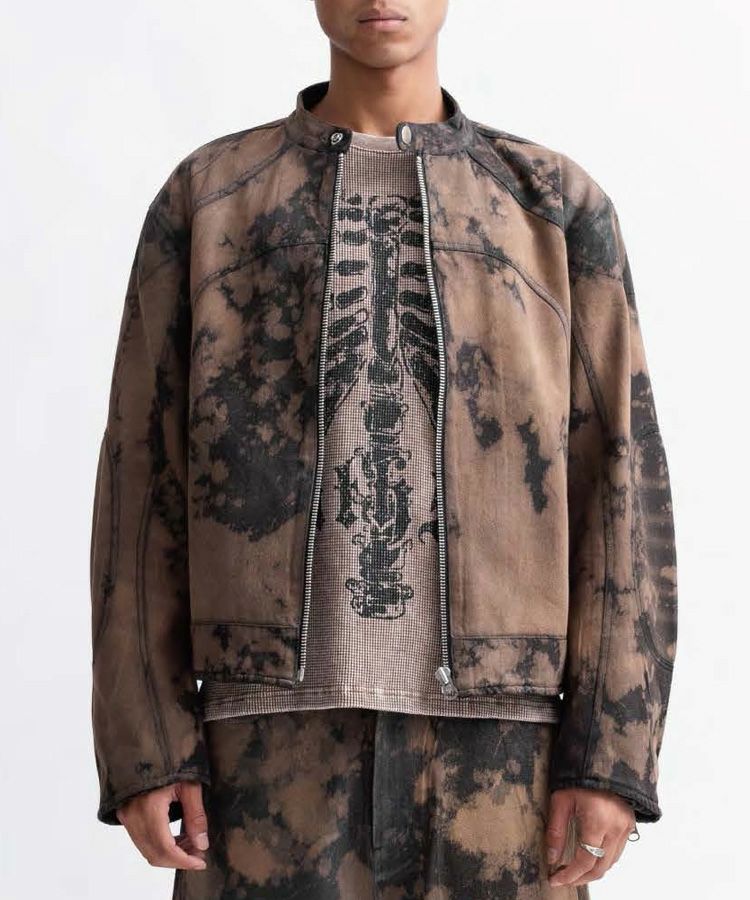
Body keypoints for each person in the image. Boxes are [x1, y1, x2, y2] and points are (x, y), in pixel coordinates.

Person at [89, 1, 678, 897]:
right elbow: (143, 475)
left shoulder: (552, 205)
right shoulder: (210, 199)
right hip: (263, 749)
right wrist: (148, 746)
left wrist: (609, 754)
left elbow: (620, 479)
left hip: (504, 759)